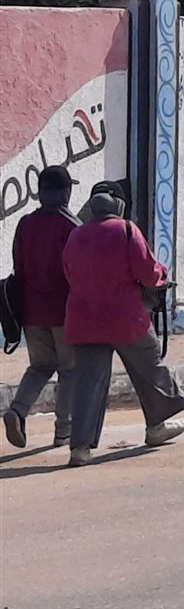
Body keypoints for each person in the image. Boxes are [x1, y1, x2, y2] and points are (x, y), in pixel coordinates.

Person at [63, 183, 184, 467]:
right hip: (126, 318)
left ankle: (80, 448)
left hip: (84, 319)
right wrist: (161, 276)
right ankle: (157, 424)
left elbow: (68, 272)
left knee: (88, 383)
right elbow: (148, 272)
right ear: (119, 206)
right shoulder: (127, 230)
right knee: (149, 365)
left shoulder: (76, 234)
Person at [2, 165, 79, 448]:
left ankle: (17, 410)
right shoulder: (72, 226)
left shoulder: (25, 224)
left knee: (40, 367)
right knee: (70, 370)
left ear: (39, 192)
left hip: (31, 312)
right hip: (65, 312)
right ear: (66, 192)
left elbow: (18, 265)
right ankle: (63, 430)